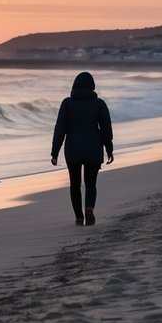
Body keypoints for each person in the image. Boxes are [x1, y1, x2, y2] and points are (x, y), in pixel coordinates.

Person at [51, 72, 114, 226]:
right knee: (91, 184)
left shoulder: (67, 103)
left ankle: (79, 218)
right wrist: (109, 149)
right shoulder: (99, 104)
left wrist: (55, 152)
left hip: (73, 149)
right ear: (92, 86)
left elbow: (60, 129)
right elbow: (106, 129)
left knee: (75, 184)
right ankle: (89, 209)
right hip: (93, 149)